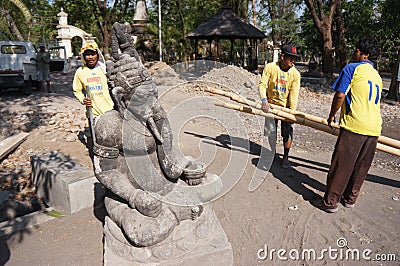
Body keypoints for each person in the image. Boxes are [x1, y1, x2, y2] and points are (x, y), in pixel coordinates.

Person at [312, 37, 382, 213]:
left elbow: (340, 95)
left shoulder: (352, 69)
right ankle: (350, 199)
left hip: (355, 125)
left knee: (341, 165)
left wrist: (331, 116)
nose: (354, 53)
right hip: (374, 128)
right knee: (361, 167)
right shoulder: (377, 76)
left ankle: (330, 202)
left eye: (357, 50)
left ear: (364, 54)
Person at [259, 45, 301, 168]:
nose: (293, 61)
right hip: (270, 105)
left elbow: (294, 95)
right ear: (282, 57)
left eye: (294, 58)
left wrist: (291, 113)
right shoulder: (271, 67)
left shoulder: (295, 74)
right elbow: (262, 85)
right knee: (271, 132)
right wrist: (264, 101)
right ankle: (273, 152)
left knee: (287, 133)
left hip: (285, 107)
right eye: (290, 58)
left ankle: (286, 156)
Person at [72, 41, 114, 121]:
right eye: (87, 55)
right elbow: (77, 90)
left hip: (110, 110)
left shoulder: (105, 69)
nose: (90, 57)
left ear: (97, 55)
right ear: (83, 56)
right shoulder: (80, 71)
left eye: (93, 54)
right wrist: (83, 100)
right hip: (93, 113)